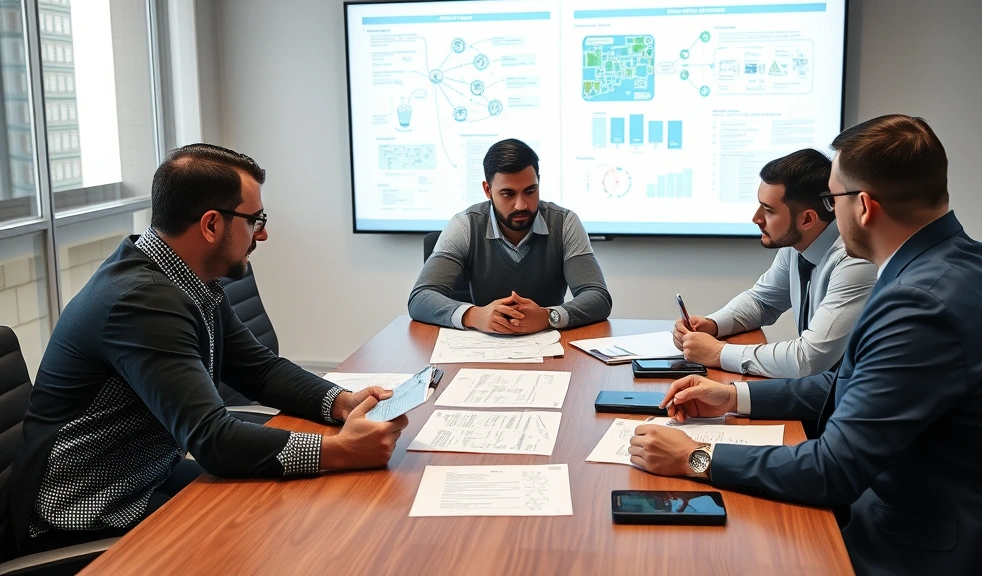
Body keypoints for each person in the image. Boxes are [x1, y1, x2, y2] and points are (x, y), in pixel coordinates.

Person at [628, 115, 982, 575]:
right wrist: (733, 395)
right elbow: (848, 383)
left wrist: (695, 457)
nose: (830, 213)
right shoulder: (963, 261)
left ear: (864, 206)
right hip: (931, 510)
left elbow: (833, 470)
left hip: (922, 544)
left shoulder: (919, 302)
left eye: (833, 199)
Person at [4, 144, 409, 556]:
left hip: (144, 474)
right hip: (85, 510)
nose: (262, 234)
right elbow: (213, 440)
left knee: (283, 515)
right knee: (271, 539)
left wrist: (342, 402)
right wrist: (340, 450)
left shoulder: (184, 278)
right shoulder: (141, 302)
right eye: (255, 220)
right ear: (212, 224)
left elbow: (258, 369)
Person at [674, 149, 876, 378]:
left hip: (844, 391)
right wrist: (712, 324)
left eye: (768, 210)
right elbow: (762, 302)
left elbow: (808, 359)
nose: (756, 218)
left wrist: (718, 353)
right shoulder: (797, 244)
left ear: (807, 219)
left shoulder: (855, 261)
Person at [409, 138, 612, 334]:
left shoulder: (565, 223)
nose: (521, 205)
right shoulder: (466, 225)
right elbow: (421, 297)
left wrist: (548, 317)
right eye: (508, 194)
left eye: (530, 191)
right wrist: (475, 316)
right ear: (488, 190)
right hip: (483, 345)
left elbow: (597, 296)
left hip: (550, 345)